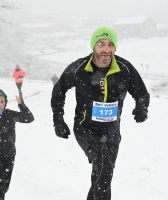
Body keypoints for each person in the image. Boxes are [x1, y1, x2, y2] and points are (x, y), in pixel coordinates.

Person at [51, 27, 150, 200]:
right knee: (105, 169)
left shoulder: (124, 68)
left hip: (112, 131)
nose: (106, 49)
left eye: (111, 44)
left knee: (102, 175)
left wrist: (141, 106)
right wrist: (58, 119)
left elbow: (141, 92)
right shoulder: (79, 68)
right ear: (94, 46)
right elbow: (58, 91)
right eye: (101, 44)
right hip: (85, 128)